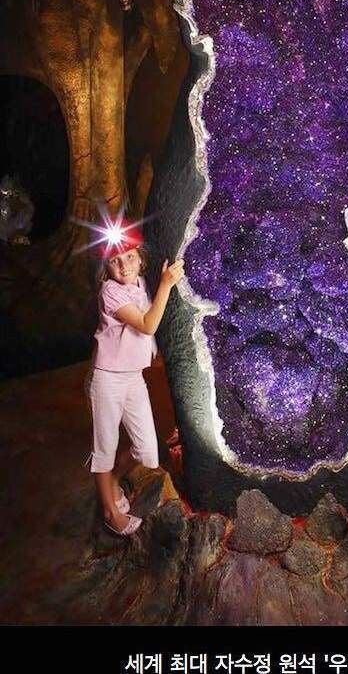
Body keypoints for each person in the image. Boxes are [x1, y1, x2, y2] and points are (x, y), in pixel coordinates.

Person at [86, 220, 184, 536]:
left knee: (147, 451)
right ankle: (110, 511)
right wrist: (166, 284)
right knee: (104, 447)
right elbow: (147, 324)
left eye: (129, 256)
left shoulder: (140, 282)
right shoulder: (111, 292)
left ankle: (115, 479)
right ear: (106, 266)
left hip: (132, 378)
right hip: (108, 380)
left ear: (141, 258)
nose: (124, 265)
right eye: (115, 260)